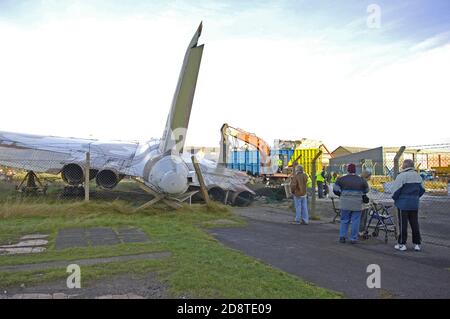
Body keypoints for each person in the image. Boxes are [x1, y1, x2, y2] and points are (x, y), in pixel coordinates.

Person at [391, 159, 425, 252]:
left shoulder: (401, 176)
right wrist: (415, 197)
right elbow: (422, 190)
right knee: (414, 223)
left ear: (404, 166)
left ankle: (402, 243)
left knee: (403, 224)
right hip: (414, 203)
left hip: (403, 204)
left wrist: (396, 199)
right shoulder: (418, 176)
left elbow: (395, 191)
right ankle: (417, 244)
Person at [333, 163, 369, 244]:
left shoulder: (341, 179)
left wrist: (341, 194)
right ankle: (353, 238)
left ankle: (342, 237)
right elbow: (366, 190)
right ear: (355, 170)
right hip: (357, 204)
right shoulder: (361, 180)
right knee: (355, 221)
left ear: (347, 170)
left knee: (344, 220)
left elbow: (335, 189)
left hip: (345, 203)